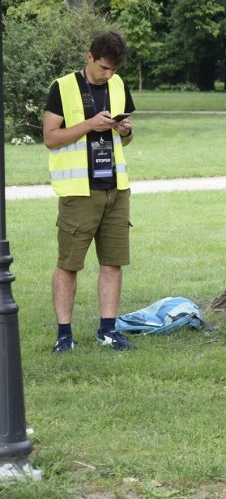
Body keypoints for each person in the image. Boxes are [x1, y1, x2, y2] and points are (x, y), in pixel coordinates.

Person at [43, 31, 137, 353]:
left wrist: (125, 131)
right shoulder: (63, 87)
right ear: (89, 57)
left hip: (115, 188)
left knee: (113, 263)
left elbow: (125, 139)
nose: (108, 75)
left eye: (113, 69)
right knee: (69, 264)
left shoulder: (119, 85)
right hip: (79, 192)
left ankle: (108, 331)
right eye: (103, 68)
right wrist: (89, 124)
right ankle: (64, 335)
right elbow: (51, 137)